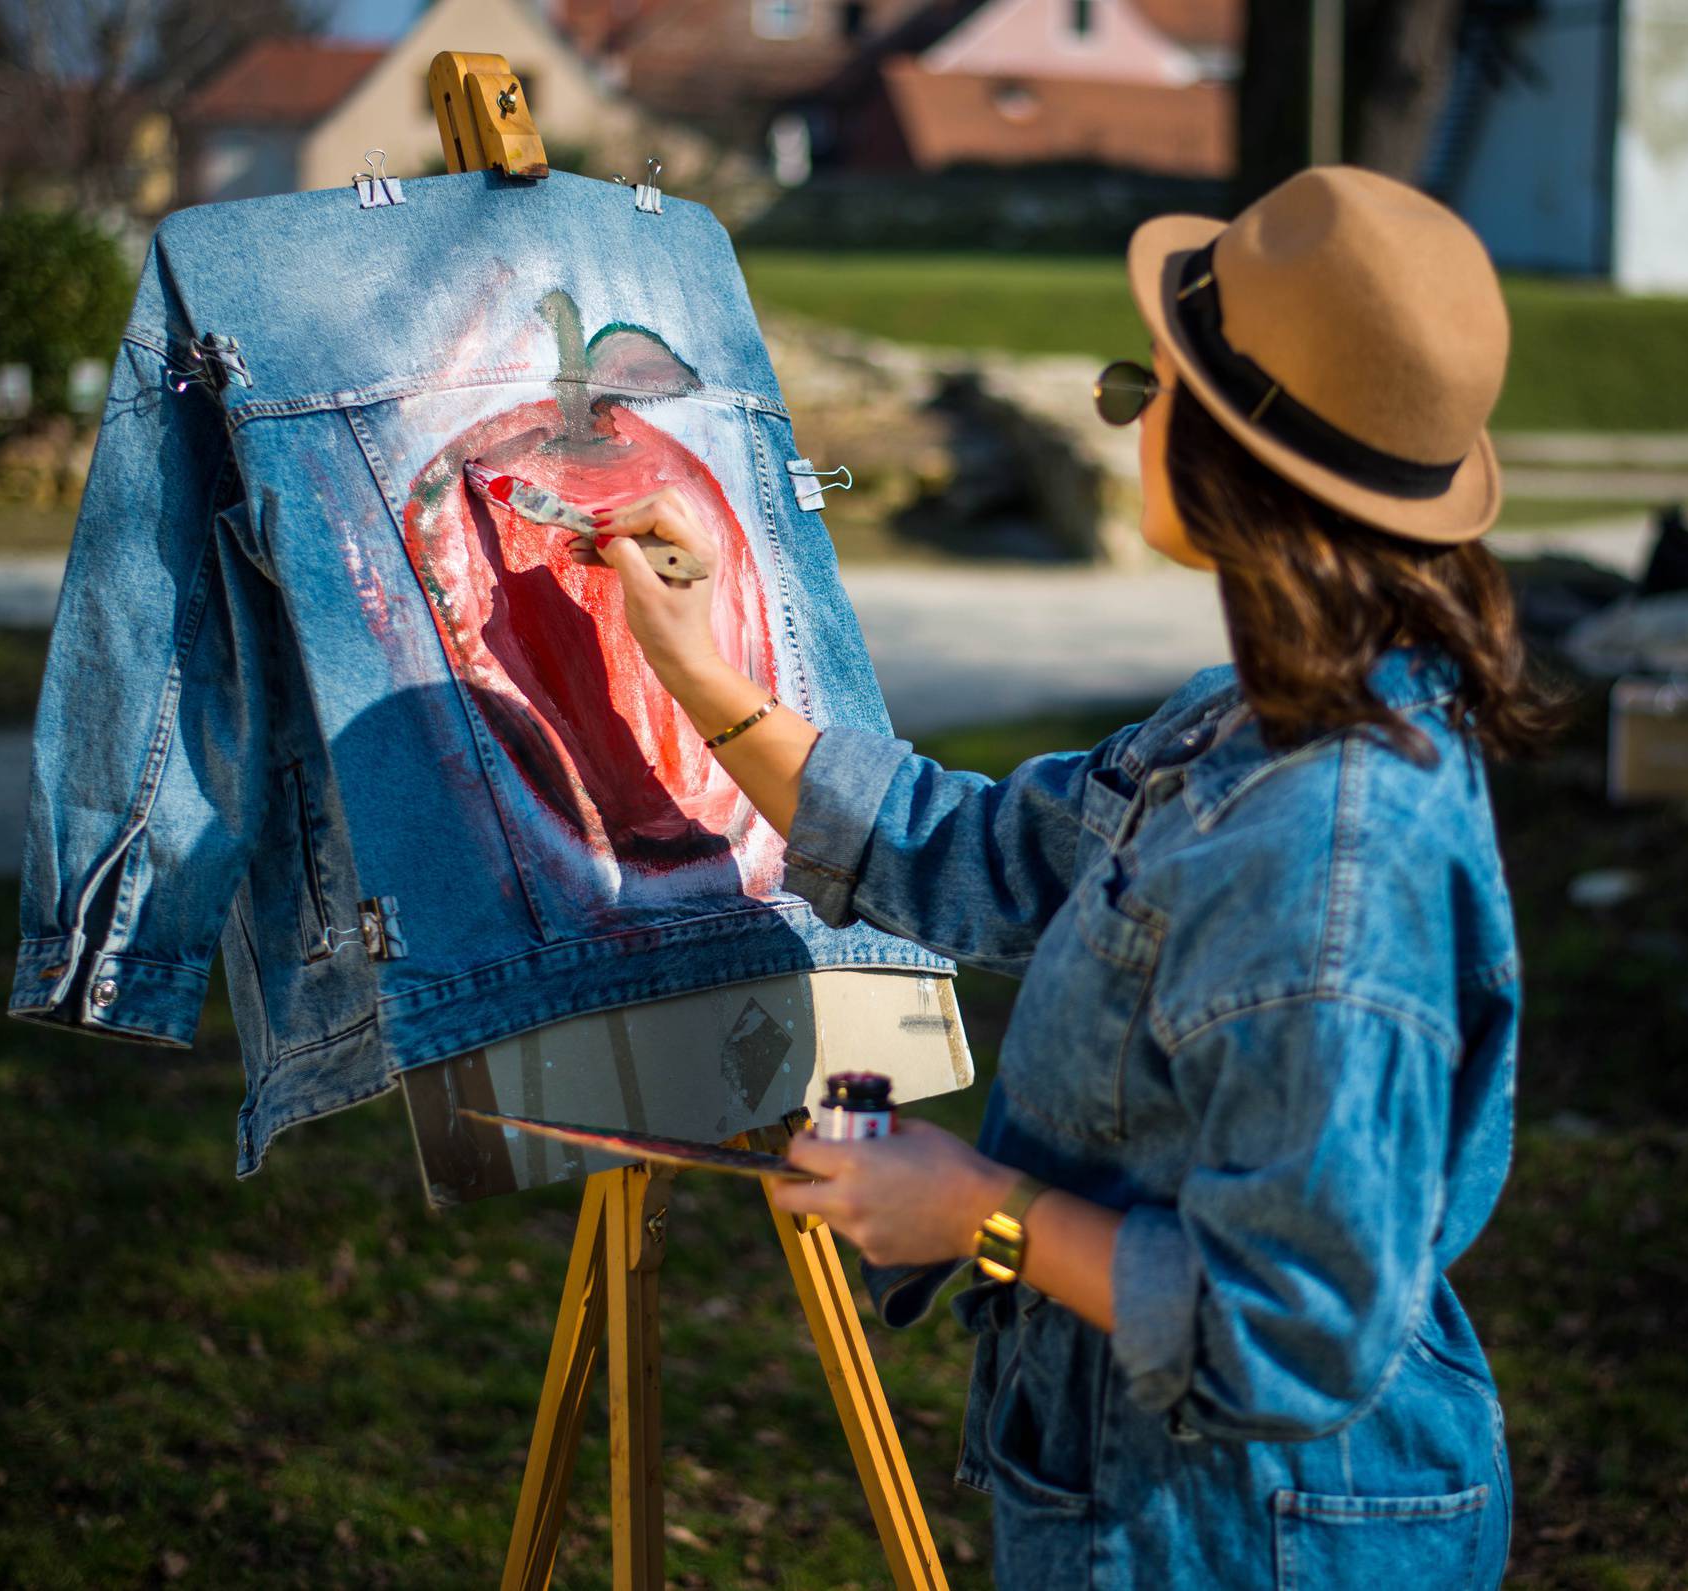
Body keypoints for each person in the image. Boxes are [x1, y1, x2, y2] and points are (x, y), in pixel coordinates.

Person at [569, 165, 1557, 1589]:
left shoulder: (1330, 851)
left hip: (1254, 1537)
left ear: (1233, 454)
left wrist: (976, 1212)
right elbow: (975, 852)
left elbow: (1293, 1330)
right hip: (1173, 1493)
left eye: (1143, 390)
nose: (1132, 419)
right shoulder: (1254, 722)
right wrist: (697, 671)